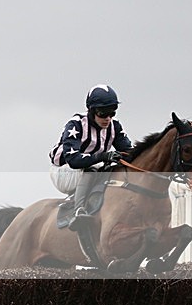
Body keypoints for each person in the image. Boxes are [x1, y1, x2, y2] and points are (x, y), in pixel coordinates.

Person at [49, 84, 132, 230]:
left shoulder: (115, 127)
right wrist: (104, 156)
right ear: (92, 111)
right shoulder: (76, 124)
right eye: (102, 113)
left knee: (114, 169)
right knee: (93, 168)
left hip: (88, 168)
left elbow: (129, 153)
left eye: (112, 113)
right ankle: (78, 210)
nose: (107, 118)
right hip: (64, 170)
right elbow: (74, 161)